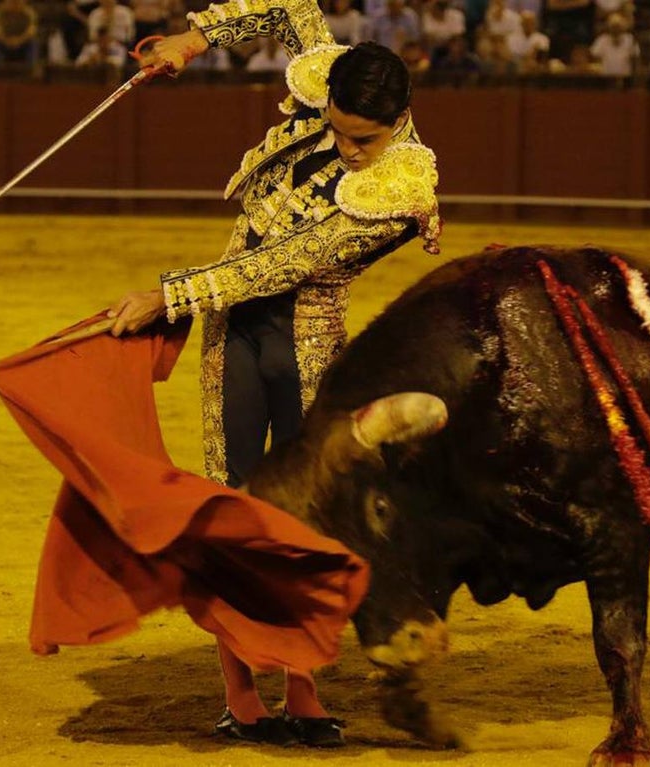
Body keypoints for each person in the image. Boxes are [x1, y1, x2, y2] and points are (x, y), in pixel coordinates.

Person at [106, 0, 440, 748]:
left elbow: (281, 263)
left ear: (399, 121)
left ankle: (304, 686)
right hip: (237, 338)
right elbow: (292, 5)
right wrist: (193, 41)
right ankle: (238, 692)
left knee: (299, 520)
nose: (352, 151)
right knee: (232, 507)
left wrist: (171, 295)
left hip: (306, 342)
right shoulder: (329, 90)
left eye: (367, 139)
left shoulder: (401, 187)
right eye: (341, 130)